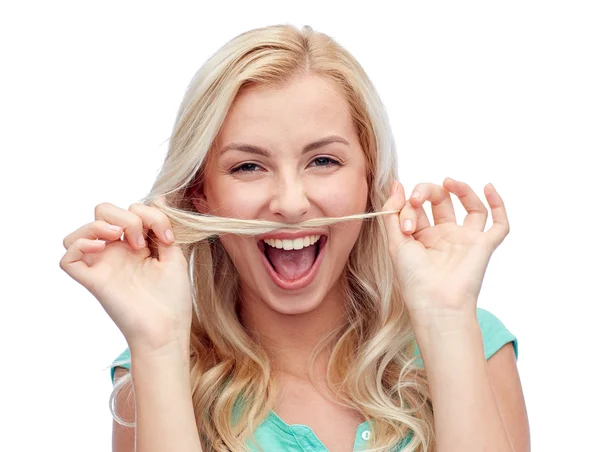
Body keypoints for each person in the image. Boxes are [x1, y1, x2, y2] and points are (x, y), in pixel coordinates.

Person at [60, 24, 529, 452]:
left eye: (323, 161)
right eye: (248, 166)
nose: (290, 203)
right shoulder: (154, 363)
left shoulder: (474, 338)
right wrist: (158, 344)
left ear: (370, 176)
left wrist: (447, 321)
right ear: (200, 195)